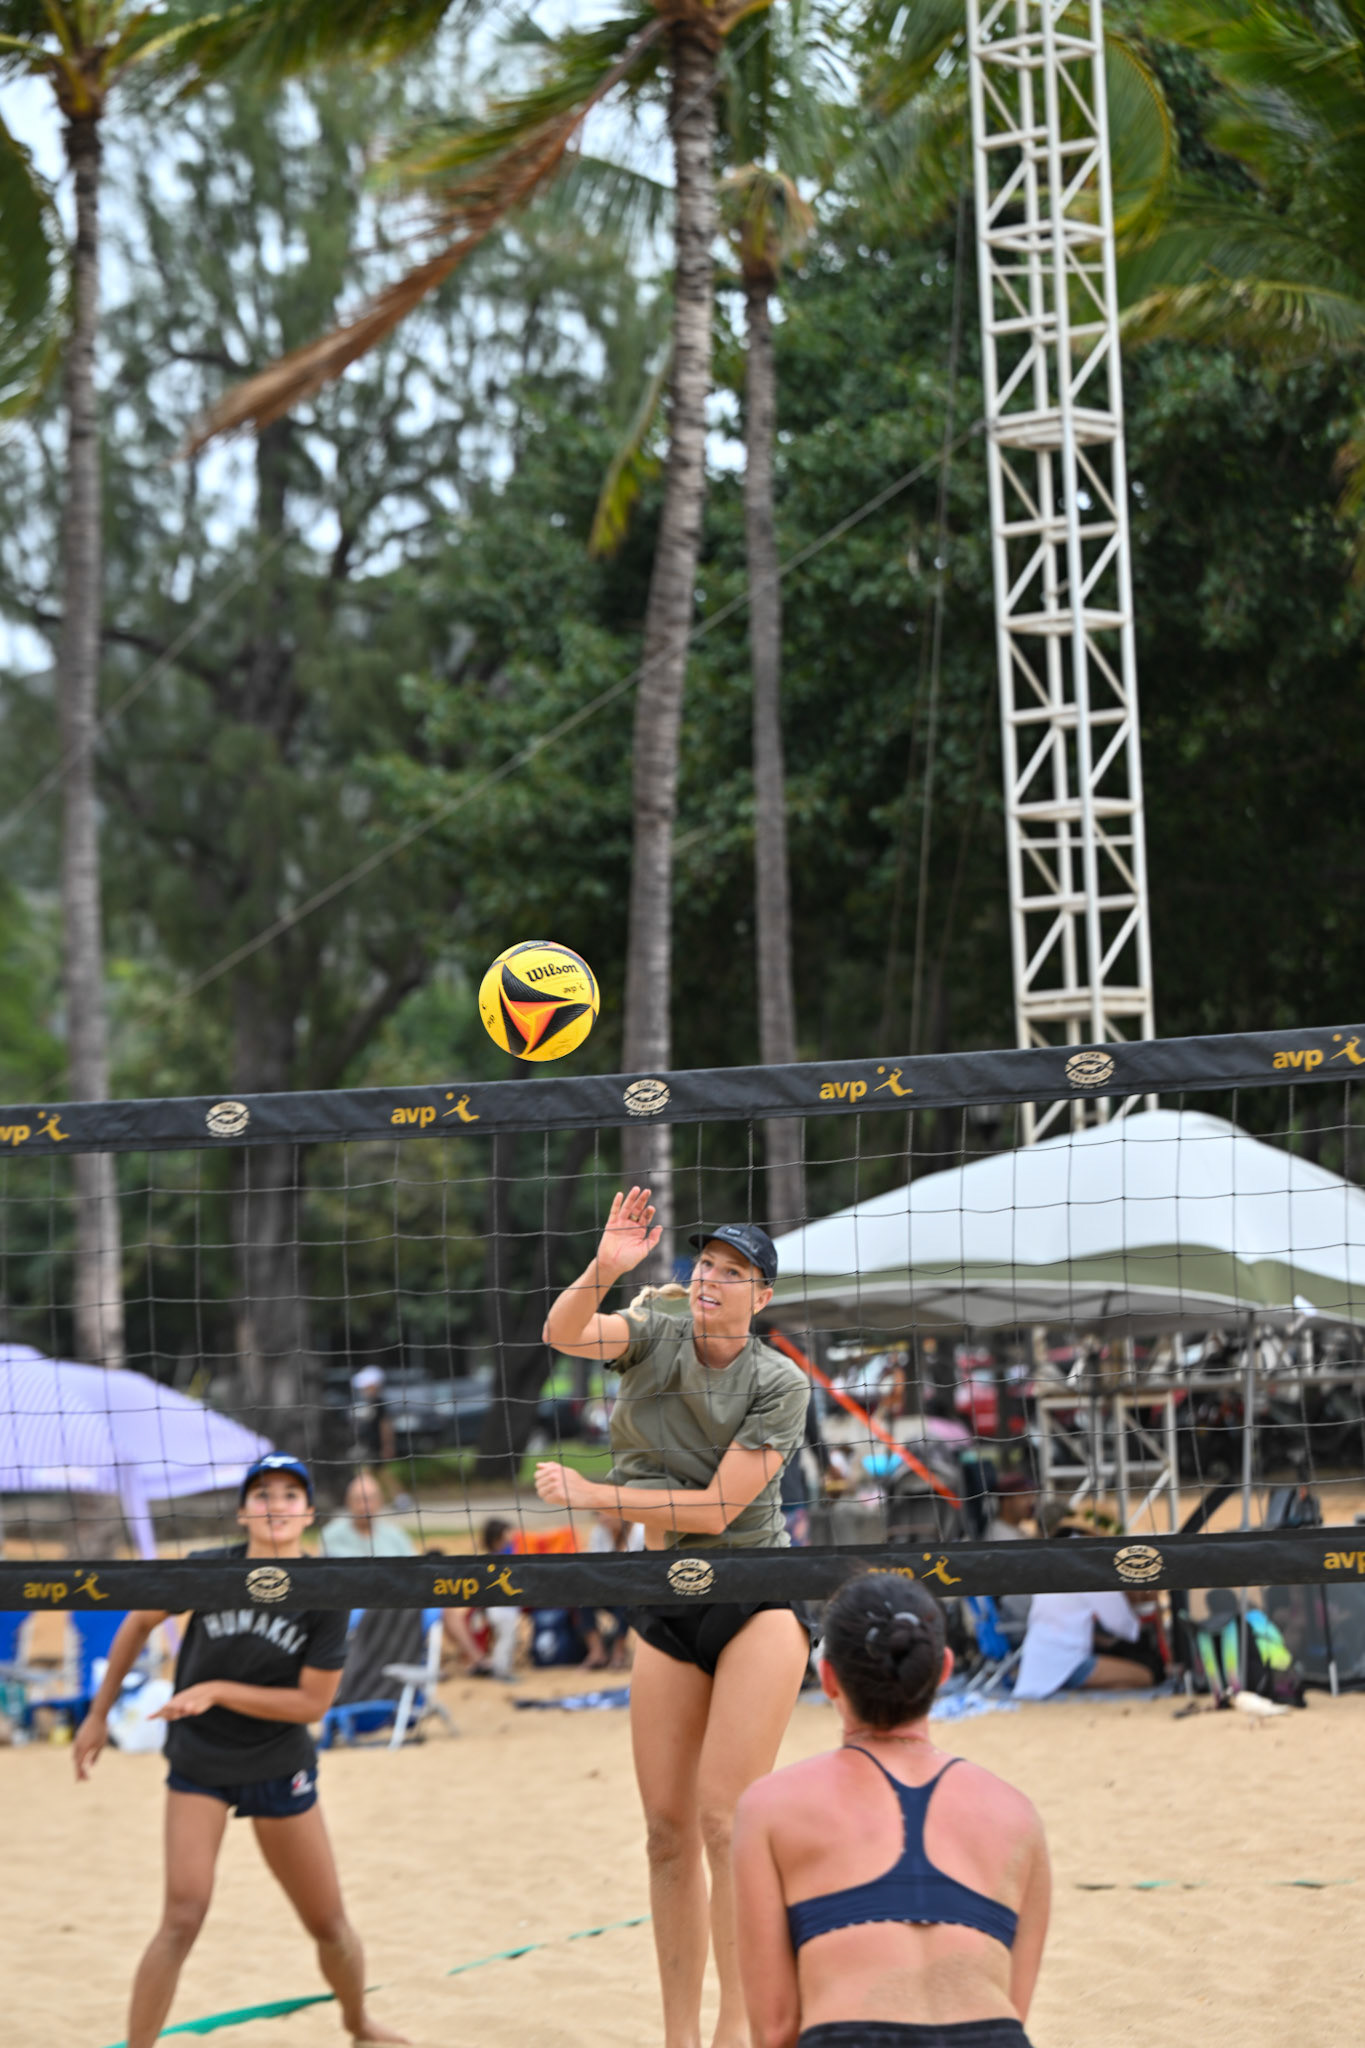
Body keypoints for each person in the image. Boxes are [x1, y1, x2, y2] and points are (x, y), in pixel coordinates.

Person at [535, 1187, 811, 2048]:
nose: (711, 1280)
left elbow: (721, 1511)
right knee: (665, 1833)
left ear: (760, 1298)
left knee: (726, 1819)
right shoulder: (654, 1331)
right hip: (666, 1599)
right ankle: (678, 2037)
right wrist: (604, 1268)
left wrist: (596, 1496)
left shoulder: (779, 1381)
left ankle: (736, 2030)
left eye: (732, 1274)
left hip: (754, 1597)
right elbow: (563, 1336)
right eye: (705, 1266)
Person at [73, 1453, 405, 2048]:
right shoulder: (208, 1570)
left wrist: (216, 1689)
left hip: (279, 1764)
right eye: (262, 1494)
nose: (275, 1505)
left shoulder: (326, 1589)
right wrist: (97, 1715)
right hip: (201, 1761)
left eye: (288, 1494)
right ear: (242, 1512)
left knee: (328, 1923)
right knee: (181, 1916)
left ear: (307, 1513)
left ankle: (358, 2024)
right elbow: (136, 1621)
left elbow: (311, 1706)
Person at [733, 1573, 1050, 2048]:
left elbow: (775, 2030)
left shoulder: (769, 1808)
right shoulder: (1018, 1816)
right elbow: (1013, 2011)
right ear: (943, 1669)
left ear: (829, 1679)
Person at [1012, 1582, 1150, 1699]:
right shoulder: (1095, 1575)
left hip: (1037, 1657)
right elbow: (1120, 1623)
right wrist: (1141, 1628)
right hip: (1069, 1662)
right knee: (1143, 1677)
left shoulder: (1053, 1567)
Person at [319, 1472, 415, 1559]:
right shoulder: (330, 1535)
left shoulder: (396, 1535)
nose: (364, 1506)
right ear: (347, 1501)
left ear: (380, 1501)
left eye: (370, 1500)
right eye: (357, 1500)